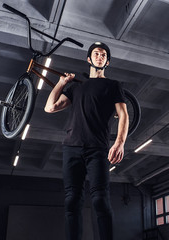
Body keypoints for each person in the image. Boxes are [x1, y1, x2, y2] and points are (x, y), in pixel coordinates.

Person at [44, 42, 129, 240]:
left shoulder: (113, 85)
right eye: (96, 54)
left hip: (97, 149)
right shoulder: (76, 86)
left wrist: (120, 142)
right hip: (71, 147)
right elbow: (50, 107)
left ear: (107, 61)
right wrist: (61, 83)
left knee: (100, 199)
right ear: (89, 59)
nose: (100, 56)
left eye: (103, 55)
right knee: (72, 200)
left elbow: (123, 115)